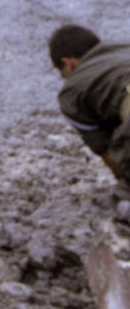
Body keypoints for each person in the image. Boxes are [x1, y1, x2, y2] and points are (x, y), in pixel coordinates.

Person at [49, 25, 130, 204]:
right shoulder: (123, 47)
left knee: (124, 197)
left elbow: (107, 151)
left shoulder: (72, 91)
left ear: (68, 63)